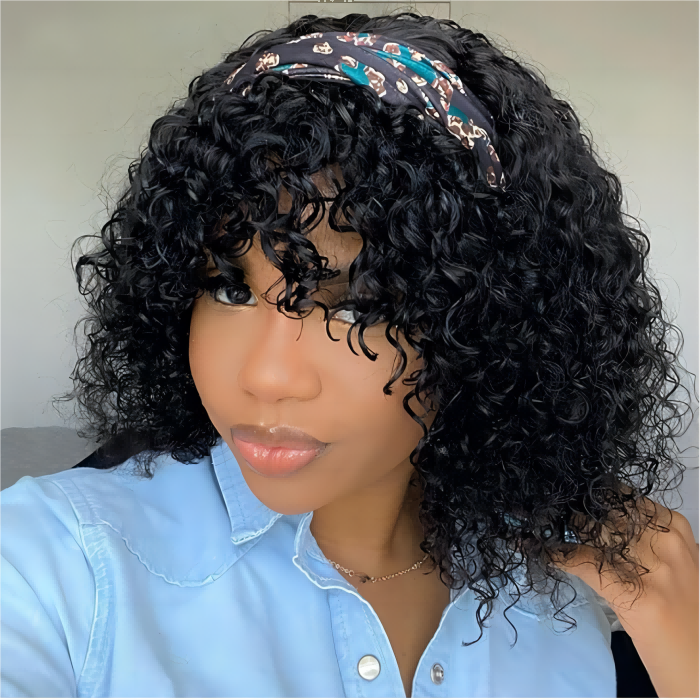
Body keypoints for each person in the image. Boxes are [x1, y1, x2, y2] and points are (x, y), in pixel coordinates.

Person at [0, 11, 697, 699]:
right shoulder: (51, 563)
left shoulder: (564, 593)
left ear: (488, 325)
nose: (266, 376)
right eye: (229, 289)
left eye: (358, 307)